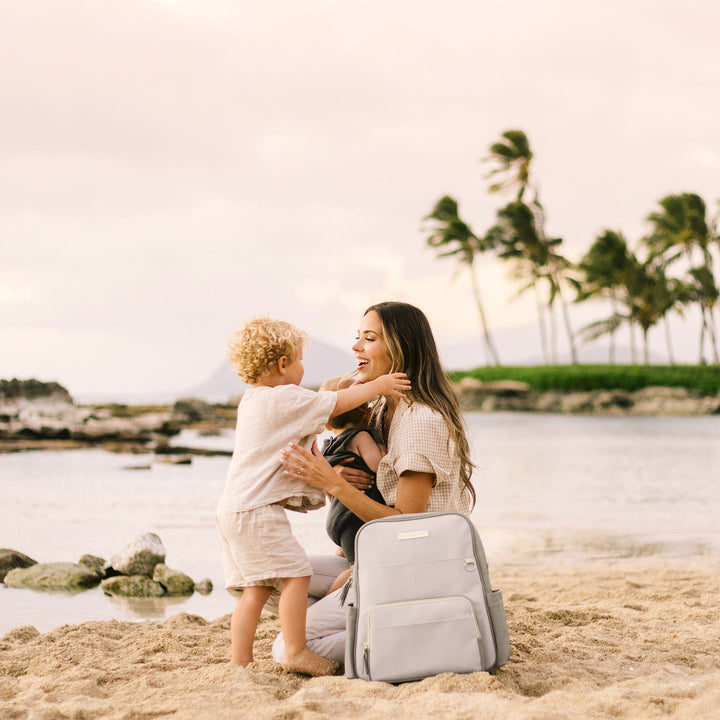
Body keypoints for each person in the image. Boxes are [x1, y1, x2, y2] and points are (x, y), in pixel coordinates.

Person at [273, 301, 476, 664]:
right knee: (267, 576)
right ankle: (372, 617)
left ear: (400, 348)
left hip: (414, 568)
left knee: (286, 647)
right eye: (357, 338)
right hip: (382, 558)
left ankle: (413, 632)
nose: (355, 347)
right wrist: (334, 478)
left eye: (369, 339)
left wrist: (335, 486)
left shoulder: (419, 421)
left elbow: (405, 524)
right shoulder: (382, 408)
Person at [215, 315, 410, 675]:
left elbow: (305, 445)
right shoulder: (284, 398)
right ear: (283, 363)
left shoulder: (253, 401)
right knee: (297, 576)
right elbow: (337, 402)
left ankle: (239, 661)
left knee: (255, 589)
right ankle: (295, 650)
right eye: (301, 360)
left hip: (233, 511)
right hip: (259, 512)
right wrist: (379, 384)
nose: (304, 368)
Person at [319, 375, 387, 566]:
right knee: (358, 569)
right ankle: (337, 594)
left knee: (349, 560)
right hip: (354, 519)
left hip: (337, 516)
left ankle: (341, 553)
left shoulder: (327, 446)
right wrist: (383, 449)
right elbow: (378, 465)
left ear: (326, 424)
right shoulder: (360, 437)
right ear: (367, 414)